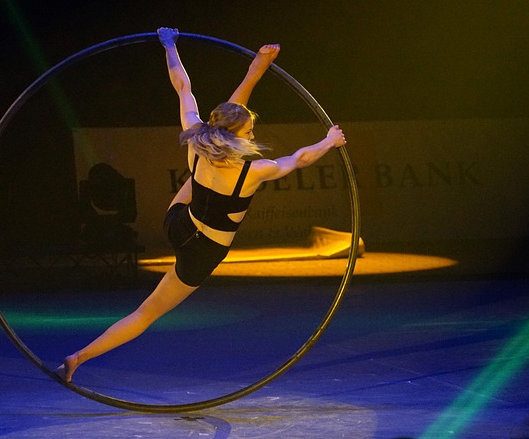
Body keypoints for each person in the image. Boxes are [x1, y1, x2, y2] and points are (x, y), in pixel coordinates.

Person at [56, 27, 346, 383]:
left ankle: (77, 359)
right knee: (148, 312)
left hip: (177, 223)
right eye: (249, 132)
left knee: (198, 178)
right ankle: (77, 358)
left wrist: (169, 44)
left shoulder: (197, 136)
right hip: (204, 251)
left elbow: (183, 87)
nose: (253, 136)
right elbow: (299, 159)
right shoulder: (254, 171)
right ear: (236, 136)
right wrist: (329, 141)